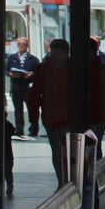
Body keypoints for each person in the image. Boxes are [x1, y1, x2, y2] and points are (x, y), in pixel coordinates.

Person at [29, 38, 72, 186]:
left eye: (58, 54)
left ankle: (68, 180)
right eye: (53, 53)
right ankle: (62, 180)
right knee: (57, 151)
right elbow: (34, 94)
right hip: (51, 117)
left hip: (69, 117)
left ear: (66, 54)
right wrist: (33, 118)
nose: (55, 57)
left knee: (68, 151)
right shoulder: (43, 69)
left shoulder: (73, 68)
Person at [87, 37, 105, 154]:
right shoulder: (104, 66)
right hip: (99, 112)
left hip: (98, 112)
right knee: (95, 143)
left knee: (95, 143)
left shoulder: (103, 67)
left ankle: (94, 168)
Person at [5, 37, 39, 139]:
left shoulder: (33, 59)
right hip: (16, 86)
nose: (21, 46)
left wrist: (32, 74)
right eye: (19, 44)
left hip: (28, 87)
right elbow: (6, 70)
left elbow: (38, 71)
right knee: (18, 110)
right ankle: (19, 129)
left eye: (23, 44)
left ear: (27, 45)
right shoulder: (12, 58)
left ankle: (33, 129)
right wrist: (11, 74)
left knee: (31, 108)